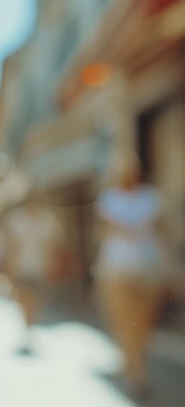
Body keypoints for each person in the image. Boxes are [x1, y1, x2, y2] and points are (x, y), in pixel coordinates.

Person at [93, 149, 173, 397]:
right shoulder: (109, 199)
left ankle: (135, 363)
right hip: (116, 271)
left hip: (146, 270)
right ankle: (137, 372)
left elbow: (162, 231)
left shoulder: (151, 197)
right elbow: (102, 231)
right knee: (125, 321)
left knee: (143, 323)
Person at [4, 192, 64, 354]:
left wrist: (53, 265)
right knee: (24, 300)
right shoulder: (16, 220)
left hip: (40, 267)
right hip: (22, 267)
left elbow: (53, 245)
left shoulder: (47, 220)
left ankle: (30, 325)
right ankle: (27, 326)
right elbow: (12, 246)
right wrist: (10, 269)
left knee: (36, 301)